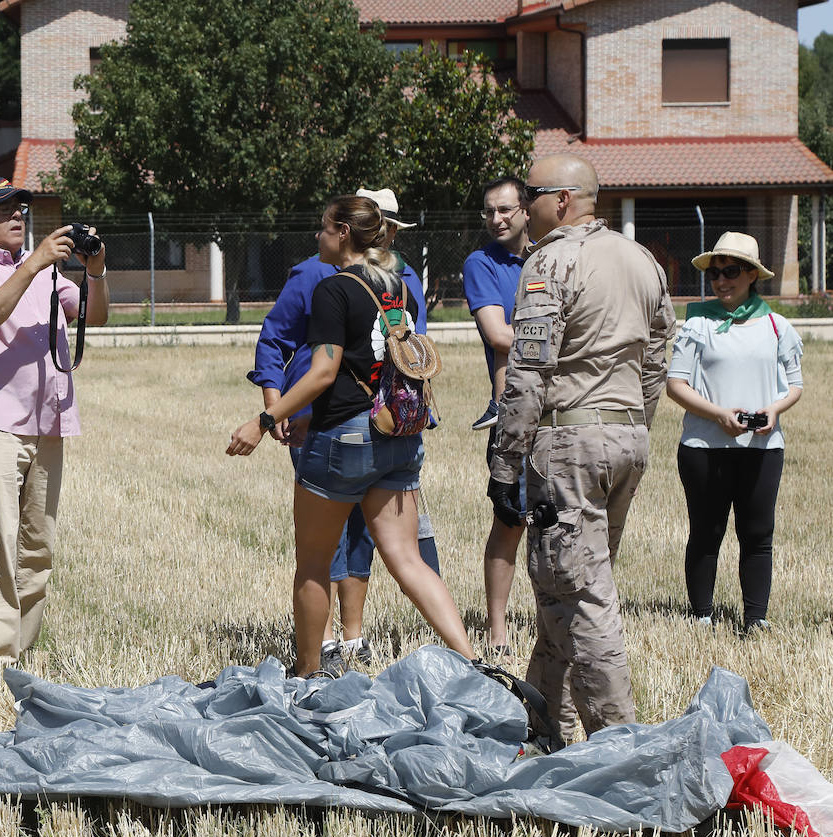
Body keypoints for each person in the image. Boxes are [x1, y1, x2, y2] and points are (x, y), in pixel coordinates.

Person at [229, 194, 475, 678]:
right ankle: (475, 663)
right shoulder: (397, 287)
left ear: (343, 232)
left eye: (323, 228)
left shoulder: (333, 289)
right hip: (399, 436)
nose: (317, 237)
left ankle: (307, 676)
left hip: (345, 440)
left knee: (313, 565)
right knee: (408, 562)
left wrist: (262, 421)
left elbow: (325, 372)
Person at [487, 154, 675, 738]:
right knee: (568, 586)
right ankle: (543, 723)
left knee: (583, 600)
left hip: (570, 440)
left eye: (533, 194)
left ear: (561, 201)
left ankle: (618, 749)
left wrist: (506, 458)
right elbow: (660, 350)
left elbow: (529, 365)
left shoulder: (551, 260)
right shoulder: (640, 258)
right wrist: (632, 422)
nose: (525, 205)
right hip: (626, 437)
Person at [0, 177, 110, 663]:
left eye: (21, 208)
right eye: (5, 208)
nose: (18, 215)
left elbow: (94, 318)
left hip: (48, 422)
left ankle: (23, 649)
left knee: (38, 547)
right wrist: (35, 262)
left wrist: (94, 272)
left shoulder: (44, 272)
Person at [666, 232, 803, 634]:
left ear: (751, 275)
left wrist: (774, 410)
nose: (721, 281)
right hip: (704, 448)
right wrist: (719, 415)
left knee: (758, 534)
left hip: (762, 449)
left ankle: (755, 619)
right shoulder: (697, 323)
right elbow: (677, 386)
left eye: (730, 272)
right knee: (707, 532)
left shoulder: (778, 327)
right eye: (714, 273)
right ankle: (702, 615)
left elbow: (794, 385)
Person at [464, 177, 531, 656]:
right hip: (513, 412)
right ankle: (498, 630)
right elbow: (498, 335)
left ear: (527, 210)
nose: (497, 219)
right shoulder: (481, 264)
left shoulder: (554, 256)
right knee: (510, 518)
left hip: (566, 410)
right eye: (490, 212)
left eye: (505, 210)